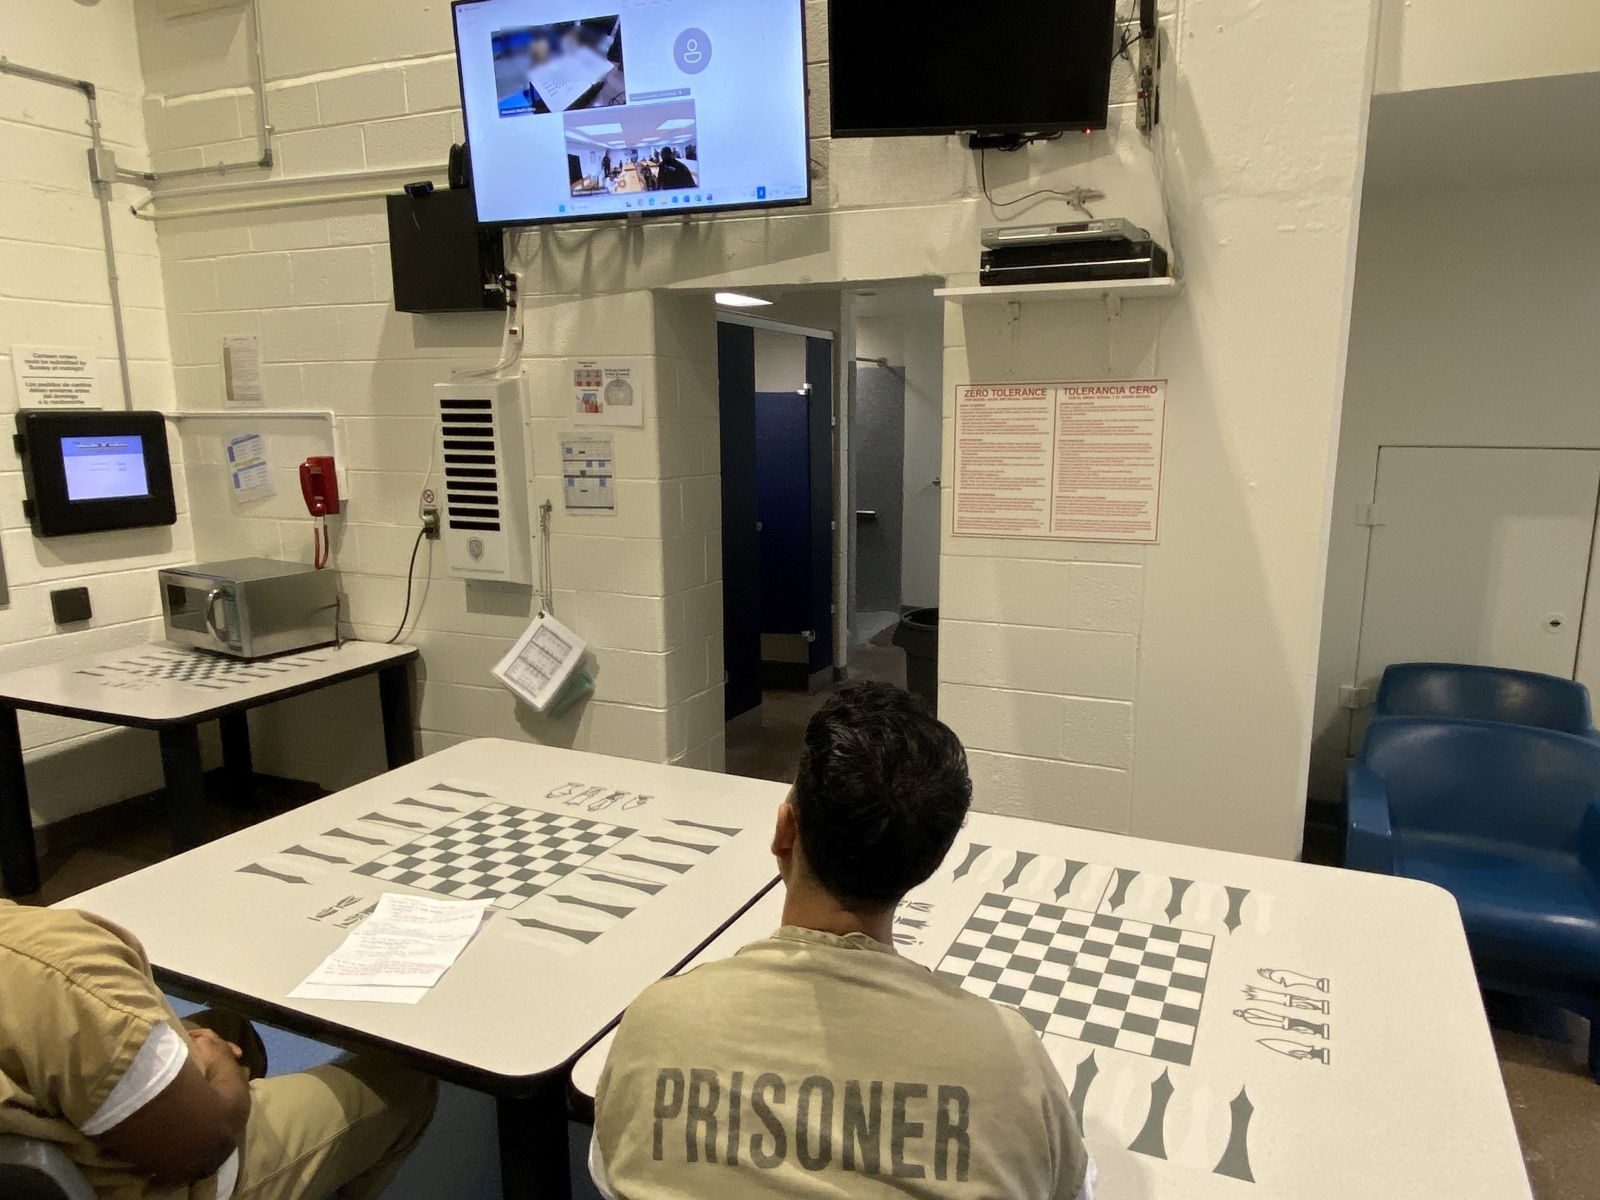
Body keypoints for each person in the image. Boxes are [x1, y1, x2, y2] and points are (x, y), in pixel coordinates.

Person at [591, 682, 1094, 1199]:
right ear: (929, 863)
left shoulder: (656, 1023)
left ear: (785, 831)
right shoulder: (1012, 1064)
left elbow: (607, 1175)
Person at [0, 899, 437, 1200]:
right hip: (170, 1180)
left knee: (228, 1026)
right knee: (406, 1078)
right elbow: (202, 1149)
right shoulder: (53, 969)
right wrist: (223, 1070)